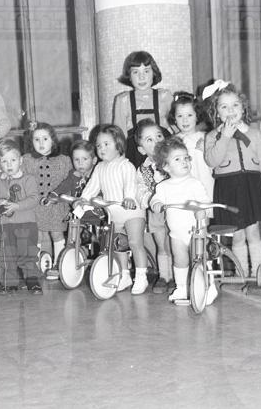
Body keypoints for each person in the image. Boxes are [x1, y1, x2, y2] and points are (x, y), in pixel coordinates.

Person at [204, 81, 261, 279]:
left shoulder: (256, 134)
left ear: (243, 108)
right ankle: (241, 273)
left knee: (254, 233)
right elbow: (212, 161)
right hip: (228, 189)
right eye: (224, 106)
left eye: (235, 105)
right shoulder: (212, 136)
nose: (230, 110)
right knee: (237, 235)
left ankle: (259, 273)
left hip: (252, 187)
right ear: (216, 112)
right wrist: (225, 136)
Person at [79, 124, 149, 295]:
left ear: (118, 144)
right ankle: (124, 275)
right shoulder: (99, 168)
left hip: (132, 211)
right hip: (113, 213)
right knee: (119, 245)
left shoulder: (125, 165)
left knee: (135, 242)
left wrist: (129, 197)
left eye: (106, 144)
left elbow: (130, 183)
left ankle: (141, 277)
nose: (101, 149)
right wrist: (83, 200)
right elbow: (92, 186)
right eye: (98, 146)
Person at [151, 137, 212, 303]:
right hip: (176, 233)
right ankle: (181, 288)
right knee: (180, 261)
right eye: (177, 159)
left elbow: (205, 201)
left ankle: (209, 286)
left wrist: (201, 210)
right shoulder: (163, 186)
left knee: (201, 258)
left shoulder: (194, 183)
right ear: (166, 166)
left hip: (196, 231)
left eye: (186, 158)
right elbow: (156, 199)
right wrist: (156, 204)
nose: (184, 161)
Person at [0, 138, 41, 294]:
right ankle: (9, 284)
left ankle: (32, 281)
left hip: (27, 224)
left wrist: (17, 206)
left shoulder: (28, 179)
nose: (9, 165)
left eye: (13, 160)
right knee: (7, 256)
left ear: (20, 160)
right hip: (4, 225)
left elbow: (34, 199)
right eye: (4, 161)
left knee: (28, 253)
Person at [21, 122, 72, 280]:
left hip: (56, 205)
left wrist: (59, 196)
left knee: (57, 233)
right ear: (31, 141)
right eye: (36, 139)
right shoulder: (27, 160)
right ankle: (36, 264)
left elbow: (69, 181)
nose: (41, 143)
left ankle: (58, 265)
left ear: (53, 140)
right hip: (35, 206)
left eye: (45, 139)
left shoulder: (63, 160)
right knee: (37, 235)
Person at [112, 51, 173, 168]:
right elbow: (119, 135)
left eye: (146, 71)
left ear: (154, 73)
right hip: (134, 153)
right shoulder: (123, 100)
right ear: (129, 76)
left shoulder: (164, 96)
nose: (142, 77)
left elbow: (176, 128)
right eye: (136, 72)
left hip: (163, 151)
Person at [134, 119, 173, 294]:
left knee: (175, 244)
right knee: (161, 245)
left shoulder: (173, 162)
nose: (156, 141)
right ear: (142, 149)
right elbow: (140, 189)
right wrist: (149, 200)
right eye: (149, 139)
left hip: (174, 210)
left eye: (159, 136)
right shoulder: (143, 170)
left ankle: (177, 277)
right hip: (156, 212)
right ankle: (164, 276)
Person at [168, 91, 214, 197]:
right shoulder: (173, 141)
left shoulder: (207, 137)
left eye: (189, 115)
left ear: (197, 116)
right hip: (183, 189)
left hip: (206, 184)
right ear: (174, 119)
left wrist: (207, 151)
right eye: (180, 116)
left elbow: (215, 162)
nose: (185, 120)